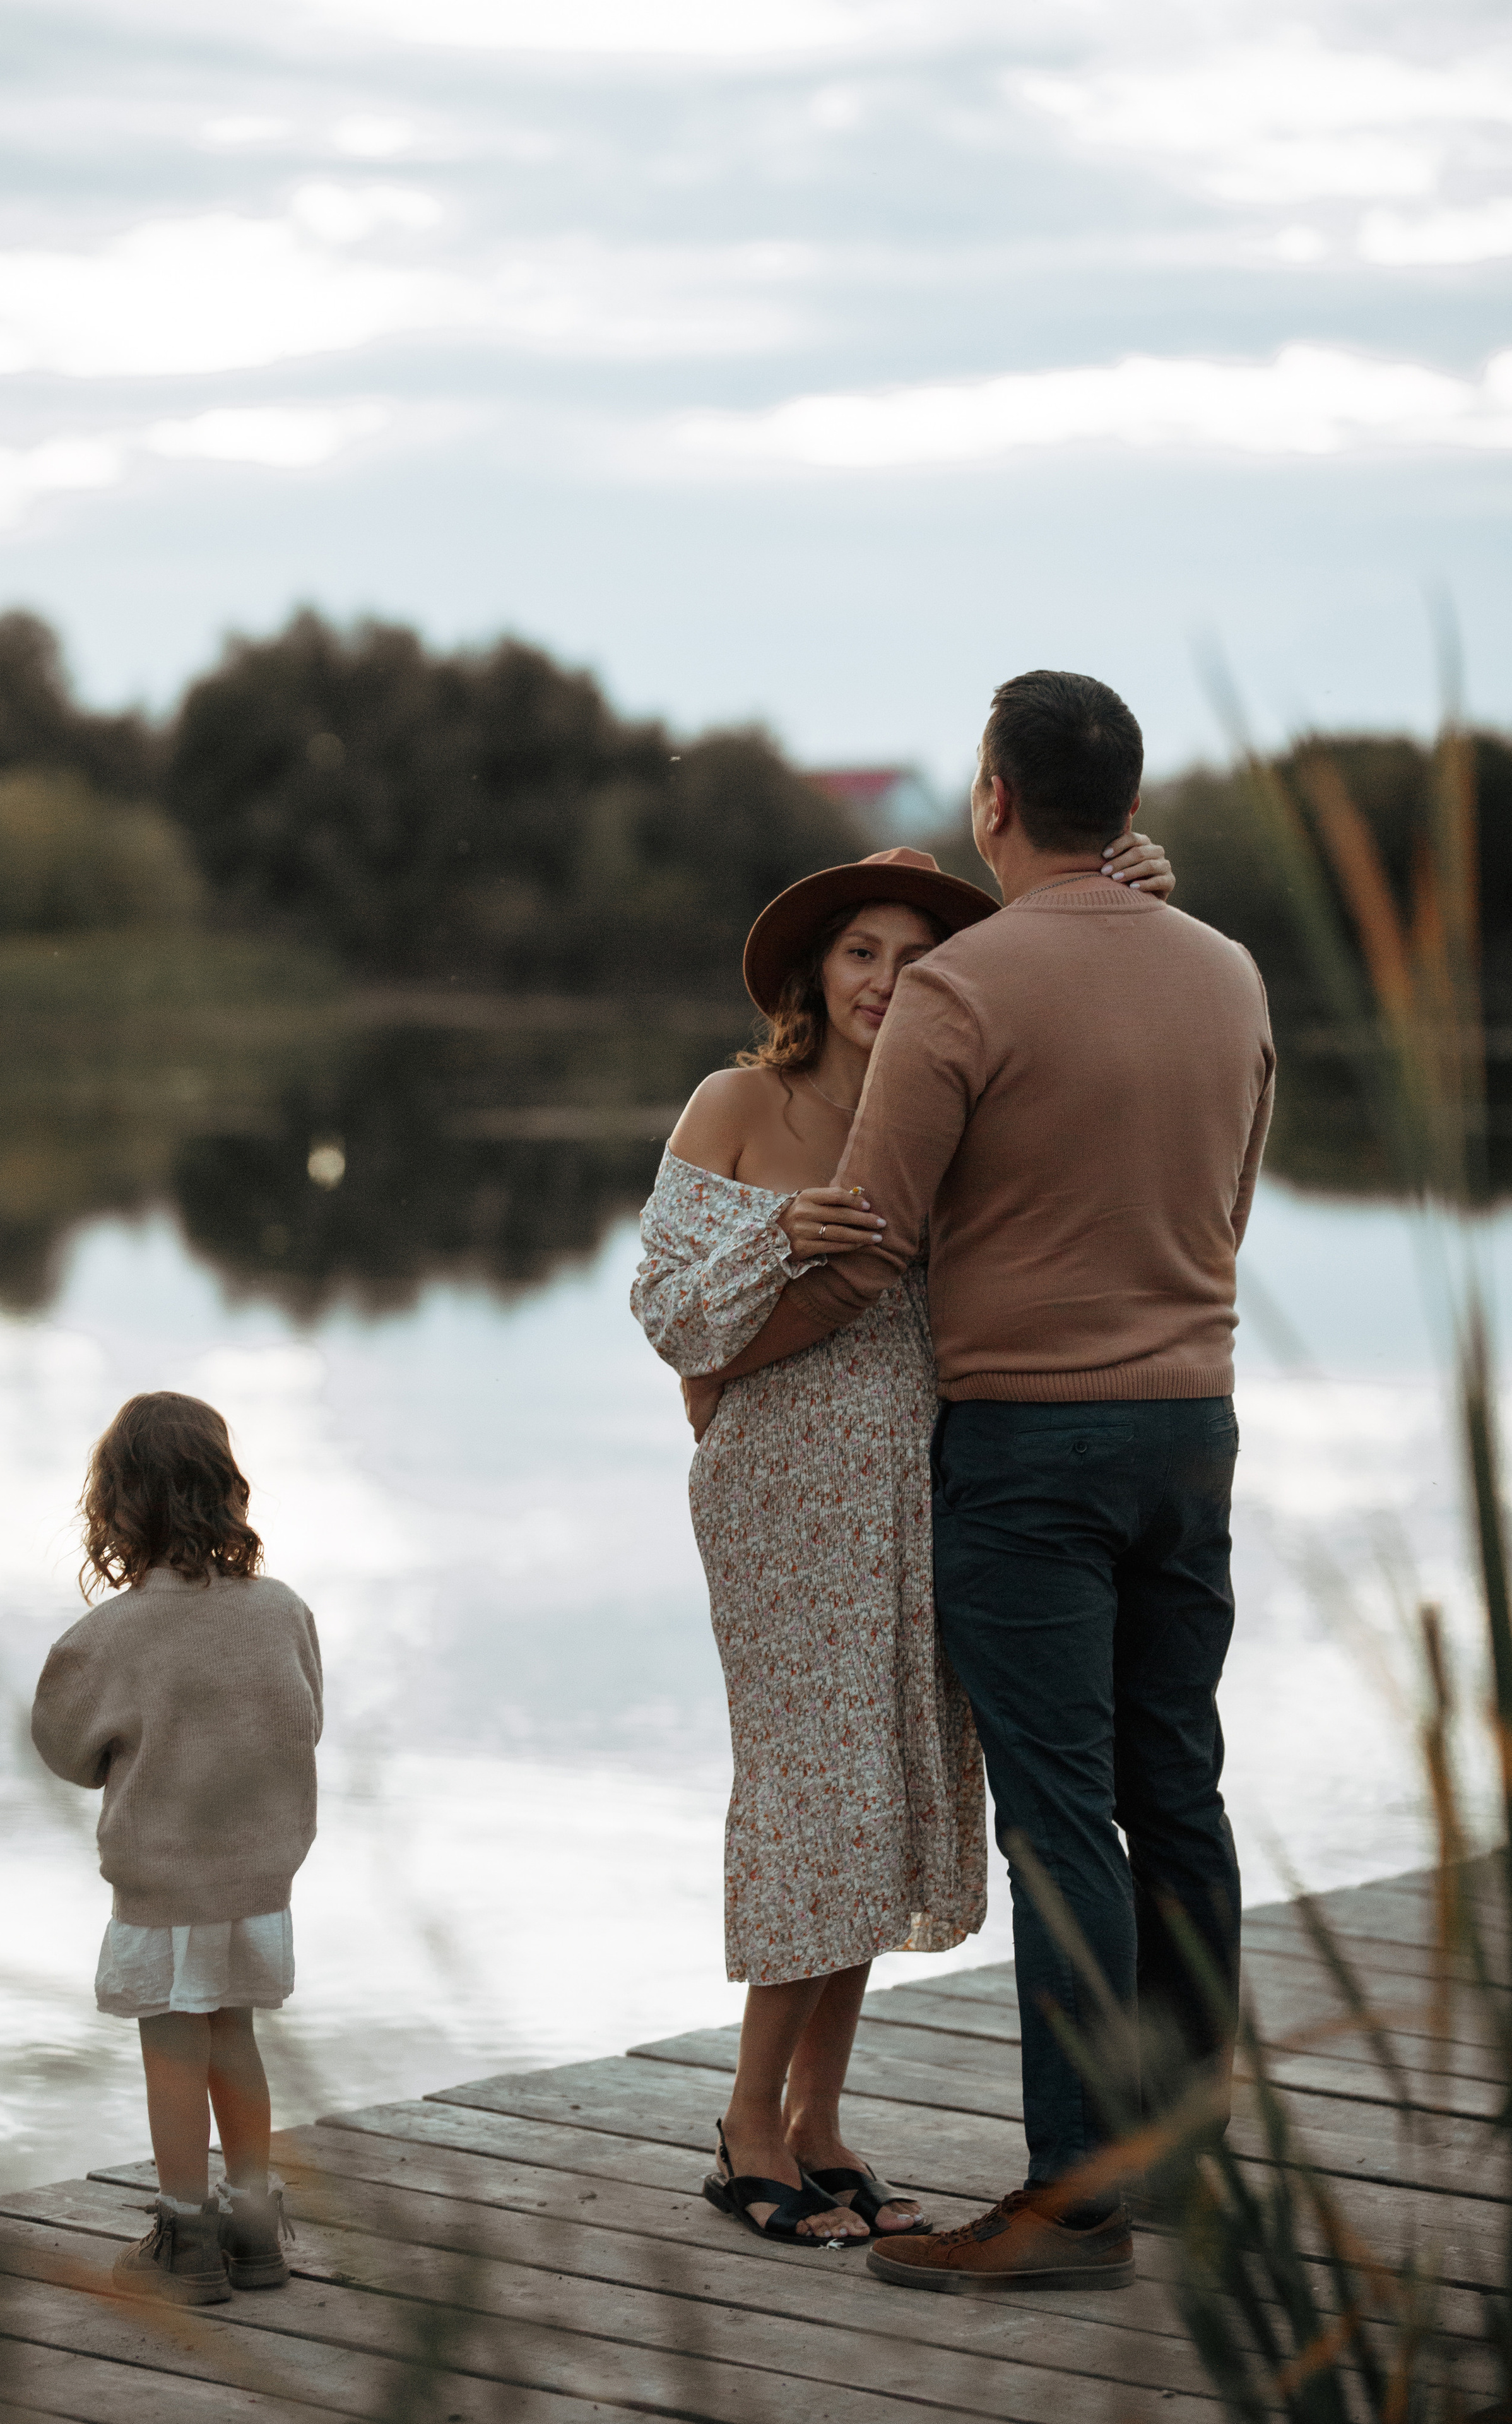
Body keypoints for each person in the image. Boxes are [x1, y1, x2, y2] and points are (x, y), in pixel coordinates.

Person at [694, 670, 1274, 2294]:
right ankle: (1180, 2157)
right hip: (1193, 1428)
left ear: (994, 801)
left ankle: (1070, 2199)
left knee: (1057, 1818)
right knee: (1176, 1790)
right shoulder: (1228, 975)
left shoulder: (963, 990)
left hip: (1028, 1450)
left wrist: (726, 1361)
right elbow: (1228, 1199)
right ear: (1127, 802)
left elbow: (869, 1244)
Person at [632, 819, 1178, 2246]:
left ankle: (818, 2120)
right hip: (781, 1492)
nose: (884, 977)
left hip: (927, 1486)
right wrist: (784, 1235)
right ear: (813, 972)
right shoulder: (732, 1104)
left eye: (917, 957)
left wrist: (1114, 907)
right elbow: (667, 1315)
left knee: (888, 1800)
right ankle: (745, 2120)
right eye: (860, 953)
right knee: (819, 1795)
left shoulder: (956, 1100)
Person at [32, 1391, 323, 2307]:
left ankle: (186, 2239)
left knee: (171, 2044)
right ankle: (252, 2230)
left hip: (164, 1885)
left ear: (118, 1507)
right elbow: (305, 1723)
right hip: (258, 1882)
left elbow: (64, 1747)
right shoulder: (284, 1612)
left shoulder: (107, 1638)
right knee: (234, 2034)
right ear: (223, 1493)